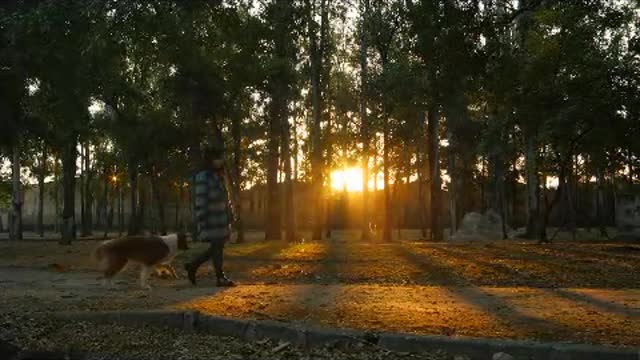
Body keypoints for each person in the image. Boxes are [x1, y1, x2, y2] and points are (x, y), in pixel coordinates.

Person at [184, 142, 235, 287]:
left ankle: (193, 266)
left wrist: (230, 214)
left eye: (221, 158)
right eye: (218, 158)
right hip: (210, 219)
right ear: (211, 159)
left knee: (217, 247)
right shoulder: (203, 177)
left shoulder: (217, 175)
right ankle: (220, 277)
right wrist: (202, 218)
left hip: (220, 219)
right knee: (217, 247)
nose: (221, 161)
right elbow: (201, 199)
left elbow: (224, 198)